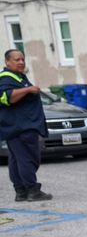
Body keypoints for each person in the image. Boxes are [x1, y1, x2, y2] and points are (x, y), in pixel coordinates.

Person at [1, 49, 53, 202]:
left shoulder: (17, 77)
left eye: (22, 59)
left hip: (17, 126)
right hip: (20, 127)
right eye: (17, 60)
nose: (21, 62)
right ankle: (32, 190)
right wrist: (29, 89)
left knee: (17, 160)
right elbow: (6, 98)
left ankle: (21, 191)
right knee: (28, 159)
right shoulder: (6, 78)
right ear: (7, 62)